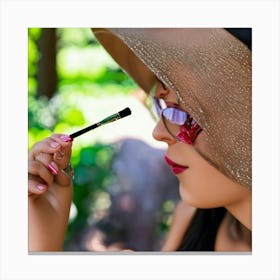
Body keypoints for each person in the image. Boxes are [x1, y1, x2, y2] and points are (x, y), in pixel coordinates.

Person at [28, 28, 252, 251]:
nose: (158, 133)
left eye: (184, 111)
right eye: (163, 106)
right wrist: (42, 242)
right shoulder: (192, 219)